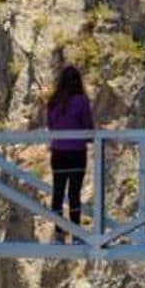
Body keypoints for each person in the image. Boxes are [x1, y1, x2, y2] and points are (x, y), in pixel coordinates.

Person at [47, 64, 94, 242]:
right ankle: (76, 233)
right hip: (76, 152)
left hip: (58, 152)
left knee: (58, 192)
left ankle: (58, 232)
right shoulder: (81, 101)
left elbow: (51, 127)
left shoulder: (53, 102)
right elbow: (88, 128)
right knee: (74, 193)